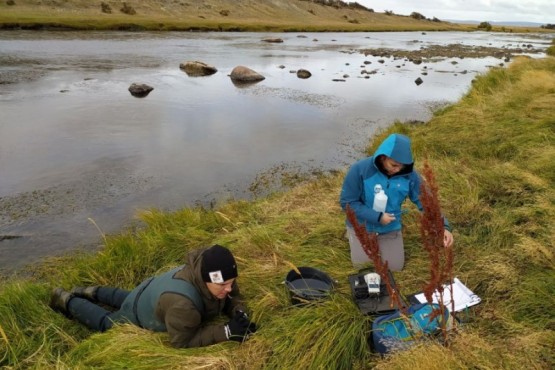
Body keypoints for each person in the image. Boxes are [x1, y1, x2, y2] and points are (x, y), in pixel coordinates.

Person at [50, 244, 257, 348]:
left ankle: (88, 291)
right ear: (206, 279)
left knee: (126, 297)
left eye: (231, 282)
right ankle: (66, 299)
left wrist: (240, 314)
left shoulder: (218, 276)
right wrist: (227, 332)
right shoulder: (183, 306)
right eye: (223, 285)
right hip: (143, 310)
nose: (229, 288)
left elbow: (232, 297)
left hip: (150, 291)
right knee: (108, 323)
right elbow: (181, 341)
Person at [340, 133, 454, 271]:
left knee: (395, 267)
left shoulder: (410, 176)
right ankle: (351, 235)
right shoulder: (359, 169)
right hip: (361, 226)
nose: (398, 170)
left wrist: (443, 227)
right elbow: (347, 202)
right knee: (363, 267)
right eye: (393, 165)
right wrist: (377, 217)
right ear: (383, 157)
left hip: (390, 228)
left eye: (402, 166)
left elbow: (427, 203)